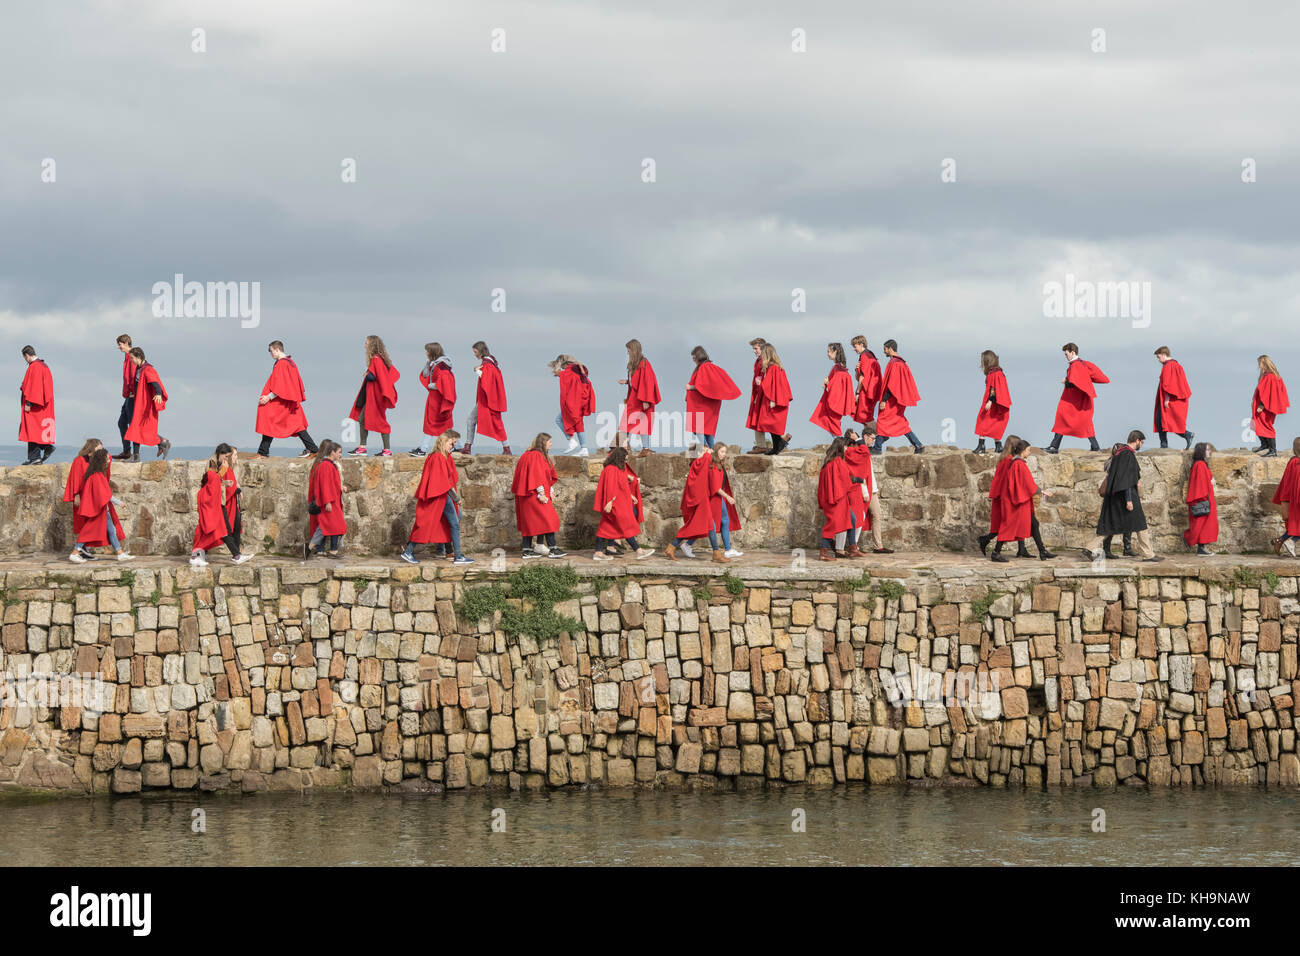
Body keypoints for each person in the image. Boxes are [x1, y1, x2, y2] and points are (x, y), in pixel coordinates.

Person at [1083, 431, 1162, 562]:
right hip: (1126, 496)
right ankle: (1148, 554)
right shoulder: (1127, 454)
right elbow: (1126, 480)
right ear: (1137, 440)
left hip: (1117, 497)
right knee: (1140, 523)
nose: (1141, 444)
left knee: (1112, 524)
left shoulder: (1121, 453)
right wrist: (1129, 500)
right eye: (1141, 442)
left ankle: (1089, 548)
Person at [401, 431, 473, 564]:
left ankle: (446, 550)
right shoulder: (439, 457)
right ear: (444, 441)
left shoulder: (437, 456)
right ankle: (456, 555)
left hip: (440, 495)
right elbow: (443, 483)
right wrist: (456, 499)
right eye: (452, 443)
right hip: (440, 496)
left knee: (446, 521)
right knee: (451, 523)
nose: (453, 446)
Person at [989, 438, 1056, 561]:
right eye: (1028, 450)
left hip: (1014, 500)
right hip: (1016, 502)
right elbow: (1028, 483)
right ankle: (996, 552)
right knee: (1008, 526)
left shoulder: (1014, 463)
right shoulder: (1019, 464)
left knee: (1033, 524)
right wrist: (1042, 491)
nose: (1029, 452)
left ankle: (1042, 551)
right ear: (1023, 451)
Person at [254, 341, 318, 458]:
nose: (271, 354)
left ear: (277, 349)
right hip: (290, 400)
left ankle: (263, 452)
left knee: (269, 419)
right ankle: (313, 449)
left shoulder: (281, 364)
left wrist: (268, 397)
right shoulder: (291, 362)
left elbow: (281, 385)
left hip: (283, 401)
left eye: (271, 351)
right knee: (297, 425)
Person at [191, 444, 251, 566]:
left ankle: (199, 555)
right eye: (227, 456)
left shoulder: (222, 465)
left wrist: (225, 483)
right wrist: (223, 480)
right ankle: (236, 555)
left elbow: (216, 482)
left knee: (219, 530)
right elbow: (211, 481)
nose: (227, 459)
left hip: (217, 501)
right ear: (221, 454)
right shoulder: (213, 465)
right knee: (217, 529)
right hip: (212, 502)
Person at [69, 449, 132, 563]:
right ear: (101, 460)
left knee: (111, 530)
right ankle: (75, 552)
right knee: (88, 532)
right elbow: (105, 495)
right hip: (99, 510)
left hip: (102, 510)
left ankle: (120, 553)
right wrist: (119, 502)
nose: (109, 460)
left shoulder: (94, 474)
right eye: (107, 458)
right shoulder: (97, 475)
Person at [592, 446, 653, 560]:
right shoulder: (611, 469)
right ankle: (639, 551)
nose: (626, 461)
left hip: (618, 502)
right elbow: (611, 487)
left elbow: (621, 485)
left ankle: (599, 553)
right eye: (624, 459)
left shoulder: (616, 469)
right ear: (618, 458)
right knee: (626, 525)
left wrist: (630, 496)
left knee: (605, 528)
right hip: (616, 504)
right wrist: (609, 502)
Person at [513, 433, 567, 558]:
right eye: (549, 442)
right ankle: (553, 548)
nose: (551, 444)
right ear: (543, 442)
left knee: (532, 522)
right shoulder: (536, 456)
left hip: (530, 494)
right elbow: (536, 475)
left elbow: (544, 476)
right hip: (534, 495)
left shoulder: (531, 455)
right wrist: (541, 493)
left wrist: (550, 490)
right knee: (549, 519)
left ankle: (527, 550)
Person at [1046, 343, 1107, 453]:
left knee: (1063, 418)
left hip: (1073, 400)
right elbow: (1093, 378)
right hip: (1079, 399)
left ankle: (1054, 447)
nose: (1066, 356)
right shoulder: (1083, 364)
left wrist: (1066, 381)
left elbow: (1075, 382)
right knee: (1084, 422)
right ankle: (1095, 447)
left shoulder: (1076, 365)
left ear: (1073, 352)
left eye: (1066, 354)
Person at [347, 335, 400, 457]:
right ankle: (363, 447)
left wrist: (367, 374)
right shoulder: (380, 359)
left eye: (366, 343)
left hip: (375, 397)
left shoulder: (376, 359)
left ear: (371, 345)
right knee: (362, 419)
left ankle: (385, 449)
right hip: (373, 395)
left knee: (380, 421)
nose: (364, 345)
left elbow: (375, 377)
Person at [871, 340, 923, 454]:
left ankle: (877, 448)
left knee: (882, 420)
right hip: (898, 398)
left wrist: (884, 400)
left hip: (892, 399)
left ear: (890, 348)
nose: (883, 351)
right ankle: (918, 445)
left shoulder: (895, 363)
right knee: (899, 422)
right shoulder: (901, 363)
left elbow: (892, 384)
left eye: (885, 348)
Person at [459, 341, 510, 455]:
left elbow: (487, 381)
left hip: (486, 400)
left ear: (481, 351)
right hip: (489, 399)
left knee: (471, 420)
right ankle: (506, 448)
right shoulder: (491, 363)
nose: (474, 354)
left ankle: (467, 447)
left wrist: (477, 370)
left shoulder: (487, 365)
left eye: (475, 352)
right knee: (497, 423)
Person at [664, 446, 715, 560]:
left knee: (707, 525)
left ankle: (716, 552)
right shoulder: (697, 463)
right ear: (697, 453)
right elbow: (707, 459)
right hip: (699, 501)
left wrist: (706, 452)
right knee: (693, 527)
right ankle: (672, 546)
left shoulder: (696, 464)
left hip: (700, 500)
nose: (706, 452)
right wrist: (708, 452)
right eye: (703, 450)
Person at [685, 346, 741, 449]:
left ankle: (704, 449)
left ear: (699, 356)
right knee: (706, 429)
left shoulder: (705, 367)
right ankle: (710, 450)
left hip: (702, 405)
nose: (693, 360)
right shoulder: (705, 366)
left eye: (694, 358)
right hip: (701, 404)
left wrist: (691, 387)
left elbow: (705, 386)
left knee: (699, 428)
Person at [849, 425, 891, 553]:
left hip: (872, 489)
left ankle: (878, 546)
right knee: (857, 517)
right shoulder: (858, 450)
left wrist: (875, 488)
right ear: (865, 437)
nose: (874, 441)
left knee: (877, 515)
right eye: (872, 438)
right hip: (863, 489)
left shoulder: (865, 450)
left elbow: (869, 472)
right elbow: (858, 472)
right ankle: (852, 545)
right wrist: (858, 440)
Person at [124, 347, 171, 460]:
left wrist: (158, 394)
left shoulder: (147, 369)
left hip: (144, 405)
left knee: (137, 428)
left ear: (139, 357)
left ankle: (137, 456)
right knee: (137, 429)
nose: (131, 360)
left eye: (132, 358)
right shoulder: (140, 368)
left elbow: (155, 383)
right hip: (138, 401)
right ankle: (161, 442)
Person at [412, 343, 456, 456]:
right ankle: (456, 446)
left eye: (427, 351)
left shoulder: (441, 366)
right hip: (436, 398)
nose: (426, 353)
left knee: (431, 423)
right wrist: (428, 365)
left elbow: (445, 381)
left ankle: (423, 449)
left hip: (437, 399)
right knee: (444, 424)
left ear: (432, 352)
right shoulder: (438, 364)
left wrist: (434, 386)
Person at [977, 435, 1019, 555]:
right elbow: (1007, 479)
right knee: (1005, 524)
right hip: (1003, 495)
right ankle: (993, 548)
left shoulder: (1004, 458)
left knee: (1001, 525)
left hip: (999, 494)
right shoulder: (1008, 460)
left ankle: (985, 541)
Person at [816, 438, 857, 561]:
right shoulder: (838, 462)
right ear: (839, 448)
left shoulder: (828, 462)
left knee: (850, 519)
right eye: (845, 447)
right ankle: (824, 552)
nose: (846, 449)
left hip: (830, 498)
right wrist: (856, 482)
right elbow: (845, 481)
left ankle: (852, 547)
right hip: (836, 499)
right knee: (832, 525)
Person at [618, 339, 660, 455]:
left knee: (636, 422)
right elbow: (636, 381)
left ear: (633, 350)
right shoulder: (635, 364)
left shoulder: (644, 363)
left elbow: (648, 382)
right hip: (635, 397)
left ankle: (641, 448)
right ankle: (628, 446)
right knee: (628, 422)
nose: (627, 352)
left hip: (641, 398)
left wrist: (646, 400)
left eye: (628, 350)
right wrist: (626, 382)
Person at [305, 440, 346, 558]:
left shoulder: (327, 465)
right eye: (339, 452)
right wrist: (327, 501)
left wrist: (340, 489)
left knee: (330, 526)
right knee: (327, 526)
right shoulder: (325, 465)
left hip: (334, 500)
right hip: (330, 501)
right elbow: (325, 485)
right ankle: (311, 547)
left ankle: (329, 550)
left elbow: (331, 483)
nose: (340, 455)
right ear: (332, 452)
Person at [550, 354, 595, 456]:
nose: (563, 368)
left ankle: (571, 440)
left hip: (575, 402)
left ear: (565, 364)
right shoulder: (579, 370)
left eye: (563, 366)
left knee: (559, 419)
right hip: (581, 400)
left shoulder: (570, 371)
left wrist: (559, 373)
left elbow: (565, 376)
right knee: (578, 424)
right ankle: (583, 448)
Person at [18, 345, 55, 465]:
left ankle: (35, 457)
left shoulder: (35, 367)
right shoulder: (44, 366)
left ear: (27, 355)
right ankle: (41, 452)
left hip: (34, 405)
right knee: (35, 430)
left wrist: (29, 402)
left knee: (32, 430)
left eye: (25, 358)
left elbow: (35, 387)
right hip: (41, 405)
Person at [809, 342, 855, 438]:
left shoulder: (838, 368)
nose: (827, 354)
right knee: (831, 421)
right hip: (836, 399)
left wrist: (827, 383)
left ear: (835, 352)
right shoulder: (840, 367)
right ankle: (839, 443)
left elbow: (836, 386)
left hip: (835, 401)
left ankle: (841, 444)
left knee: (832, 421)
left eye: (829, 351)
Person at [1152, 347, 1193, 449]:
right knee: (1166, 421)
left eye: (1159, 357)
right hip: (1174, 399)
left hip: (1168, 399)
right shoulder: (1176, 365)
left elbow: (1167, 385)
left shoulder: (1168, 366)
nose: (1158, 360)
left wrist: (1166, 399)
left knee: (1164, 421)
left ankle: (1185, 435)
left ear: (1164, 354)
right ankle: (1165, 444)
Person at [756, 343, 793, 455]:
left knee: (771, 423)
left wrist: (760, 383)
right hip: (775, 400)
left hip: (773, 401)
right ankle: (777, 446)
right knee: (771, 424)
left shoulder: (773, 368)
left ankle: (778, 446)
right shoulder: (775, 367)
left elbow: (772, 385)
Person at [973, 350, 1011, 454]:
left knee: (982, 421)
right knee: (994, 423)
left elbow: (993, 388)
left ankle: (982, 446)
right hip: (993, 402)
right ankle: (998, 446)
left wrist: (990, 401)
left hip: (992, 402)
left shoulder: (995, 374)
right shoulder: (995, 373)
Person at [1252, 355, 1290, 457]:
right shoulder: (1269, 376)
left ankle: (1273, 450)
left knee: (1266, 426)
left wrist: (1262, 405)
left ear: (1264, 364)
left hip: (1266, 407)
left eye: (1259, 364)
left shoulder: (1270, 377)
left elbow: (1268, 393)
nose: (1258, 366)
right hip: (1262, 407)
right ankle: (1265, 445)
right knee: (1256, 424)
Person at [1183, 443, 1217, 556]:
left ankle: (1201, 548)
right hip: (1202, 500)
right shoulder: (1200, 464)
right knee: (1200, 526)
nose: (1209, 452)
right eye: (1207, 450)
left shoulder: (1200, 464)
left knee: (1203, 526)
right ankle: (1190, 539)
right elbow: (1200, 484)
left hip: (1204, 499)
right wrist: (1210, 482)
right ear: (1201, 451)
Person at [1271, 437, 1300, 557]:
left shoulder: (1293, 461)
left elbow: (1286, 481)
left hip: (1291, 499)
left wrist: (1284, 498)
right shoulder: (1298, 464)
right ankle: (1291, 542)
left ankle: (1280, 540)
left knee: (1296, 524)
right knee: (1296, 524)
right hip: (1297, 499)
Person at [850, 335, 883, 426]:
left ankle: (878, 435)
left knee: (863, 415)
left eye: (855, 346)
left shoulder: (865, 356)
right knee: (864, 416)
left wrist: (857, 393)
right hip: (873, 390)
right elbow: (859, 376)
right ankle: (872, 437)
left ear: (861, 344)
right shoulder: (870, 355)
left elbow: (862, 377)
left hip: (866, 391)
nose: (854, 349)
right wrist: (857, 370)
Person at [745, 337, 770, 453]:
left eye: (756, 348)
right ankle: (761, 444)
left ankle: (762, 445)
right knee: (759, 419)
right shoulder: (760, 361)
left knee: (762, 419)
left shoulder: (765, 361)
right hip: (758, 393)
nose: (754, 351)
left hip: (763, 394)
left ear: (762, 348)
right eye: (754, 349)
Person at [115, 334, 137, 460]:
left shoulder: (132, 357)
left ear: (126, 342)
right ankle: (127, 450)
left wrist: (133, 392)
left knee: (133, 424)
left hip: (132, 395)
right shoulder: (126, 357)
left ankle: (161, 441)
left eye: (120, 344)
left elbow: (133, 376)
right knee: (122, 422)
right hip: (128, 395)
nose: (119, 347)